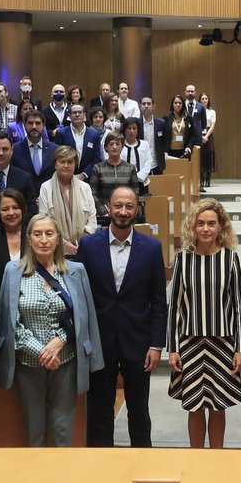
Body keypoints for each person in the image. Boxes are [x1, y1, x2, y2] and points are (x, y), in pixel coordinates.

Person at [0, 214, 103, 447]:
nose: (43, 240)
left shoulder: (76, 271)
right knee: (34, 432)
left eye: (49, 233)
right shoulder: (12, 271)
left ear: (58, 239)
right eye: (37, 234)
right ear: (29, 239)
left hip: (66, 361)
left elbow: (83, 316)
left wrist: (59, 342)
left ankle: (61, 481)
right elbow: (9, 321)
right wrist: (41, 351)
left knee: (63, 431)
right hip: (28, 364)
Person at [78, 187, 167, 447]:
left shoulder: (151, 248)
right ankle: (102, 468)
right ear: (108, 206)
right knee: (100, 411)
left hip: (138, 343)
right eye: (118, 206)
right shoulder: (88, 245)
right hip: (99, 342)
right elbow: (81, 297)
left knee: (139, 411)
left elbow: (159, 301)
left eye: (129, 206)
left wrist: (155, 344)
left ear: (137, 209)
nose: (123, 212)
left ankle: (142, 464)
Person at [167, 198, 241, 448]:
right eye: (200, 223)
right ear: (193, 226)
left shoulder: (231, 259)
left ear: (221, 227)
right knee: (193, 405)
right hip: (190, 343)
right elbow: (174, 307)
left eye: (211, 224)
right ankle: (196, 456)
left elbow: (239, 306)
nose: (205, 229)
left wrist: (240, 349)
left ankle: (217, 455)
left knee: (218, 404)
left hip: (222, 343)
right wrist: (172, 348)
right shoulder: (182, 260)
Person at [38, 145, 96, 256]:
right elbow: (44, 222)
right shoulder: (46, 188)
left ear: (75, 165)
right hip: (55, 250)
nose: (66, 166)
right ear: (55, 164)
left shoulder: (85, 188)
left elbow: (92, 221)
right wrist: (64, 244)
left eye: (70, 162)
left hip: (83, 248)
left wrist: (80, 243)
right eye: (62, 162)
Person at [88, 131, 142, 217]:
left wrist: (128, 209)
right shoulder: (98, 168)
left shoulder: (130, 168)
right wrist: (104, 211)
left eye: (117, 144)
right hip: (105, 212)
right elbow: (92, 193)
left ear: (122, 147)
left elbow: (135, 192)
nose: (114, 147)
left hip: (125, 211)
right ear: (106, 147)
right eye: (111, 144)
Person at [56, 103, 103, 178]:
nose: (77, 114)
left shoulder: (94, 134)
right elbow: (58, 157)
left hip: (87, 178)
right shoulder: (61, 133)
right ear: (69, 116)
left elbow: (97, 158)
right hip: (65, 177)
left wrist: (83, 175)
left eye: (80, 112)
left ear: (84, 115)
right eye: (74, 112)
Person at [11, 111, 57, 184]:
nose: (34, 127)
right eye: (30, 123)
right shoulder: (14, 150)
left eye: (38, 123)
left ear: (44, 125)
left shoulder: (54, 150)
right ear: (24, 125)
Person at [120, 117, 155, 190]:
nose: (131, 131)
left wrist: (138, 177)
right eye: (129, 128)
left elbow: (148, 162)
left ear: (138, 130)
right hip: (124, 183)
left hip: (142, 182)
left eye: (134, 128)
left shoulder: (145, 144)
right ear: (124, 130)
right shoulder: (120, 145)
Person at [162, 94, 199, 161]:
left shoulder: (188, 118)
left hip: (184, 151)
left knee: (184, 170)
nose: (178, 105)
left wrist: (189, 148)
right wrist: (164, 151)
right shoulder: (166, 118)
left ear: (183, 105)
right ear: (172, 104)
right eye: (175, 103)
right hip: (170, 151)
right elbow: (164, 135)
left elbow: (193, 135)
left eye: (180, 103)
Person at [138, 96, 166, 176]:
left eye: (149, 104)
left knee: (158, 187)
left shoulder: (161, 123)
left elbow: (165, 142)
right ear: (140, 106)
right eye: (144, 104)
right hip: (141, 164)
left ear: (153, 106)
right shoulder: (136, 124)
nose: (146, 106)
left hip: (157, 164)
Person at [198, 91, 218, 189]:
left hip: (209, 135)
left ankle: (208, 180)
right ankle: (201, 180)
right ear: (199, 100)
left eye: (206, 98)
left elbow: (213, 125)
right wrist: (201, 137)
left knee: (209, 156)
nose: (204, 100)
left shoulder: (212, 112)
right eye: (202, 99)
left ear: (208, 100)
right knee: (200, 157)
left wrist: (206, 137)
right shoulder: (197, 111)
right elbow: (196, 124)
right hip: (199, 135)